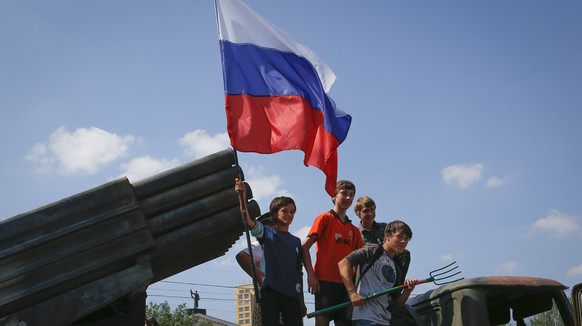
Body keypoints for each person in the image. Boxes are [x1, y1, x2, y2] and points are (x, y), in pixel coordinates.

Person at [235, 178, 306, 325]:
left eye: (292, 211)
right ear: (275, 214)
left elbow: (297, 272)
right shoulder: (268, 234)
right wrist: (241, 196)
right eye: (284, 211)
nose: (289, 214)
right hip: (271, 291)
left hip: (290, 292)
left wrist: (300, 299)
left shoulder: (296, 241)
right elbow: (248, 222)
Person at [302, 180, 364, 326]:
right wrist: (311, 274)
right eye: (344, 193)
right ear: (335, 195)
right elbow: (304, 247)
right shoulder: (324, 218)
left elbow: (361, 258)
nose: (348, 198)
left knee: (345, 323)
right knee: (322, 322)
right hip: (324, 281)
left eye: (351, 195)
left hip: (347, 284)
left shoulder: (354, 230)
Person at [338, 220, 419, 326]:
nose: (403, 241)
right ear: (387, 236)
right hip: (365, 317)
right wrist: (352, 292)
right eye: (399, 237)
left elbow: (397, 304)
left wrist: (407, 291)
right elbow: (343, 263)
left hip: (384, 320)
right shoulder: (373, 250)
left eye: (407, 239)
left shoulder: (396, 267)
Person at [354, 196, 411, 289]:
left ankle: (397, 291)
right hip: (369, 268)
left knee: (405, 253)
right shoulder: (356, 233)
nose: (370, 213)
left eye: (372, 210)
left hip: (389, 263)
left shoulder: (385, 228)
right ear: (358, 213)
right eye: (365, 211)